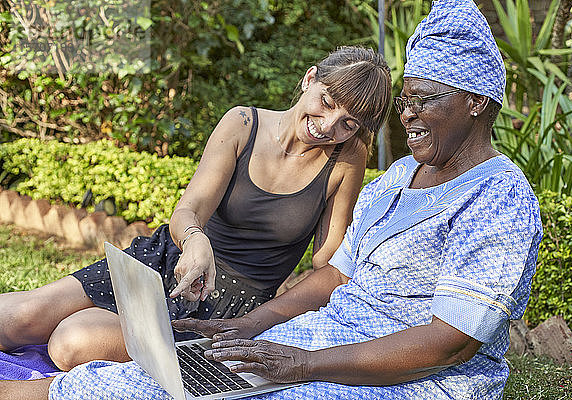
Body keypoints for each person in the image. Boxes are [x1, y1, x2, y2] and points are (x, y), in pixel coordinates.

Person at [0, 0, 544, 398]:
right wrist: (254, 327)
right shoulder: (398, 177)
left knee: (117, 370)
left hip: (382, 366)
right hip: (299, 329)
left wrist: (303, 361)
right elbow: (336, 277)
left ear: (475, 102)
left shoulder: (497, 197)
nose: (407, 115)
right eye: (406, 101)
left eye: (425, 100)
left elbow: (451, 344)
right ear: (310, 81)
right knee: (143, 377)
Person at [0, 46, 392, 372]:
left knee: (72, 340)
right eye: (326, 102)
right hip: (165, 260)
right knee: (24, 315)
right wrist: (195, 242)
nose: (328, 125)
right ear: (309, 80)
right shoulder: (243, 124)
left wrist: (275, 315)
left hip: (226, 305)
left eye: (348, 123)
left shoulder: (346, 160)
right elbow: (188, 211)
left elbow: (327, 264)